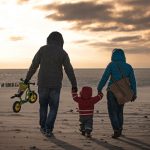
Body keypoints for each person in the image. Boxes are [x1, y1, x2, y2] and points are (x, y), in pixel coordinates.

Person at [24, 31, 77, 137]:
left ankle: (43, 127)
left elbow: (34, 65)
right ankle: (48, 128)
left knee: (43, 106)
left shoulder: (42, 49)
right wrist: (74, 84)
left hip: (43, 83)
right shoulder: (62, 53)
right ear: (61, 41)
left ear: (48, 39)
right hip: (55, 85)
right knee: (53, 107)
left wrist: (27, 79)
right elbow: (69, 70)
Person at [97, 48, 137, 138]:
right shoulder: (129, 66)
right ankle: (120, 129)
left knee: (112, 111)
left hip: (112, 91)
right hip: (123, 92)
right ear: (123, 56)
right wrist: (134, 93)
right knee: (120, 111)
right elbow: (133, 81)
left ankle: (116, 130)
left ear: (113, 56)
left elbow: (105, 77)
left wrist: (99, 88)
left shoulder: (111, 65)